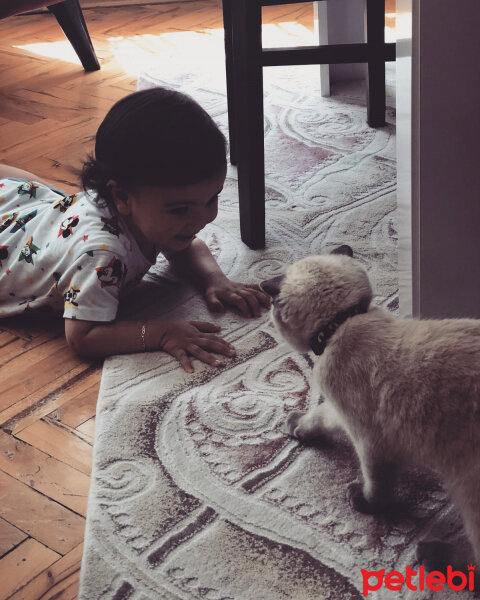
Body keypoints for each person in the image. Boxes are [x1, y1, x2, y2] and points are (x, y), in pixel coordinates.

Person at [0, 87, 270, 373]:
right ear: (122, 198)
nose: (202, 218)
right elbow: (82, 337)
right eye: (180, 210)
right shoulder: (103, 254)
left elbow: (188, 246)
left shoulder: (151, 217)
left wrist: (215, 279)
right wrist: (160, 333)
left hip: (33, 217)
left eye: (212, 198)